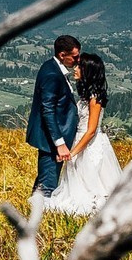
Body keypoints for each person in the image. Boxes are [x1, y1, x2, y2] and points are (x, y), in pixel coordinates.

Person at [46, 51, 122, 215]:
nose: (75, 68)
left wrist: (72, 153)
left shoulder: (94, 98)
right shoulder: (87, 96)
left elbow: (91, 130)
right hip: (80, 140)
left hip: (89, 143)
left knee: (91, 180)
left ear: (88, 71)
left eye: (79, 66)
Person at [26, 34, 81, 197]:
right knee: (48, 186)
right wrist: (60, 143)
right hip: (51, 142)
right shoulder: (52, 74)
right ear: (62, 55)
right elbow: (47, 110)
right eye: (75, 57)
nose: (77, 61)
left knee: (44, 180)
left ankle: (32, 208)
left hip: (52, 140)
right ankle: (41, 218)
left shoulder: (51, 68)